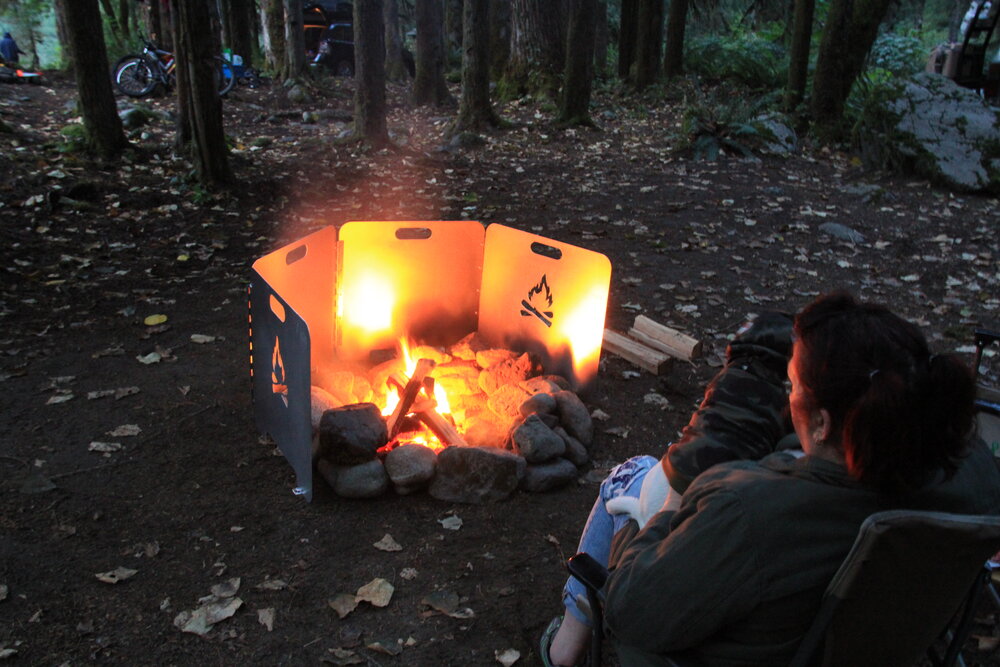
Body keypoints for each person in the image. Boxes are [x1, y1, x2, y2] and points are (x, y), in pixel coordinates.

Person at [541, 291, 1000, 667]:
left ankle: (565, 648)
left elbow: (633, 611)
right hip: (872, 640)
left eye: (794, 386)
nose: (788, 396)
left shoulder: (749, 513)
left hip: (736, 648)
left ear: (820, 424)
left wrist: (671, 507)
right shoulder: (976, 476)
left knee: (631, 479)